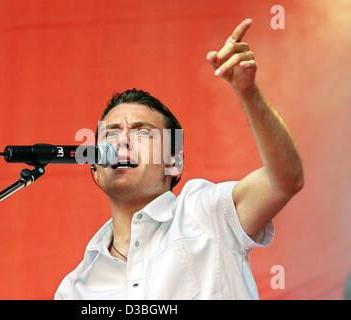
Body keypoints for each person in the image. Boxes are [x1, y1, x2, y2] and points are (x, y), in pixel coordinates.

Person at [54, 18, 304, 299]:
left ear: (174, 161)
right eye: (110, 134)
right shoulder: (77, 287)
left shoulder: (205, 212)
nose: (121, 141)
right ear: (95, 168)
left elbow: (284, 180)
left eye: (143, 133)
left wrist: (248, 93)